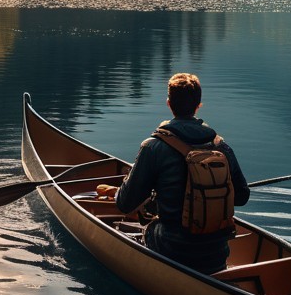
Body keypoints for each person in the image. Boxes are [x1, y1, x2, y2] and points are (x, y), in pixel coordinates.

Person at [106, 72, 250, 274]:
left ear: (168, 103)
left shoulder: (153, 148)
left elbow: (124, 204)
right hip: (216, 254)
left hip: (172, 250)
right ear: (198, 105)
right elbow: (242, 197)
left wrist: (128, 187)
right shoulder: (221, 147)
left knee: (147, 228)